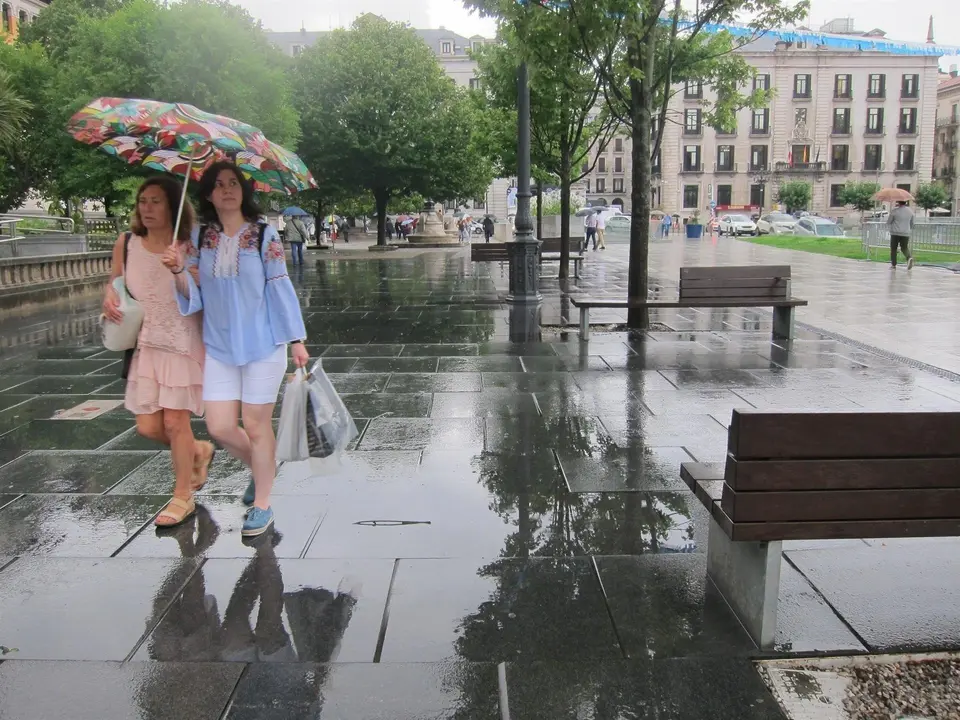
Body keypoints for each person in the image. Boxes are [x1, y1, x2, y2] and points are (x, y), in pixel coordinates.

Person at [165, 161, 309, 537]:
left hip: (263, 344)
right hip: (219, 346)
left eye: (233, 183)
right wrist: (179, 271)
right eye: (218, 184)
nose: (226, 190)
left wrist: (296, 340)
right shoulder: (199, 237)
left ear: (244, 190)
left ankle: (262, 503)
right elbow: (193, 296)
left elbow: (279, 288)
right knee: (220, 426)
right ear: (208, 194)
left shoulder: (265, 236)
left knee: (256, 425)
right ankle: (263, 467)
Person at [103, 176, 212, 528]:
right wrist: (108, 297)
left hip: (181, 340)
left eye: (156, 201)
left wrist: (183, 270)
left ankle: (183, 497)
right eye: (143, 201)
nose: (146, 208)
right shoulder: (127, 242)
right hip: (146, 344)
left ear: (174, 206)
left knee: (175, 421)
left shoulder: (190, 244)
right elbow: (116, 284)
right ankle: (198, 451)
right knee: (148, 426)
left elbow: (204, 293)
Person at [888, 201, 915, 269]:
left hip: (895, 233)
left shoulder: (894, 211)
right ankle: (909, 258)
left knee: (893, 248)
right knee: (904, 247)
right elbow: (912, 223)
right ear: (905, 202)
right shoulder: (910, 211)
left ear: (898, 203)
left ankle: (893, 264)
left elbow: (889, 221)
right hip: (906, 233)